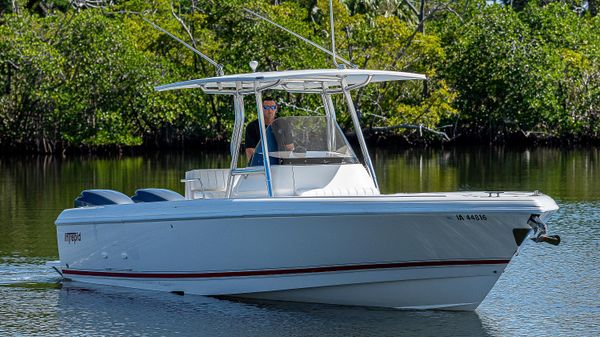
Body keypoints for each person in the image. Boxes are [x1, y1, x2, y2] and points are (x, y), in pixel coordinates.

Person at [245, 97, 293, 161]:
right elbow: (250, 151)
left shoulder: (284, 124)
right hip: (261, 164)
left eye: (273, 107)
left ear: (276, 109)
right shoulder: (252, 126)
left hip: (281, 163)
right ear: (261, 109)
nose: (270, 111)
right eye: (266, 108)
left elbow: (290, 147)